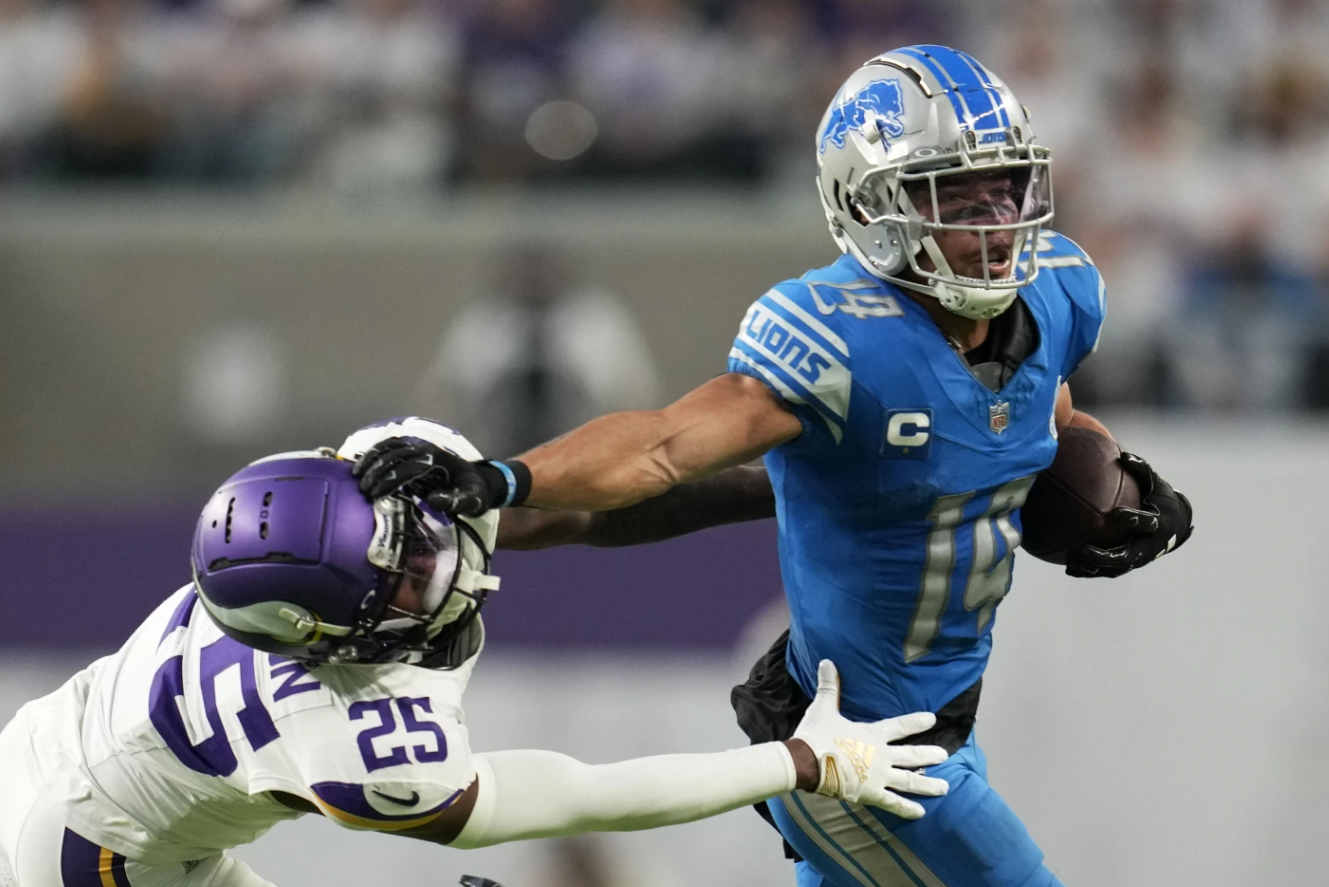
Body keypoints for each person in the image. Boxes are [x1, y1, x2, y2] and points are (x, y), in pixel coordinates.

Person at [352, 47, 1195, 887]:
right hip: (859, 741)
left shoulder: (1056, 293)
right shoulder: (840, 334)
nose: (990, 222)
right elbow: (663, 444)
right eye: (952, 197)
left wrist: (1111, 478)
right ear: (871, 206)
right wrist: (505, 479)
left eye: (1002, 188)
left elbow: (1047, 414)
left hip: (937, 726)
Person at [0, 417, 949, 887]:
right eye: (407, 578)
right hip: (90, 854)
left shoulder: (380, 488)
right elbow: (582, 793)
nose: (441, 561)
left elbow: (573, 509)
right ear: (334, 640)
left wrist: (787, 495)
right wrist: (801, 761)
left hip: (58, 742)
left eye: (414, 538)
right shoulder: (339, 728)